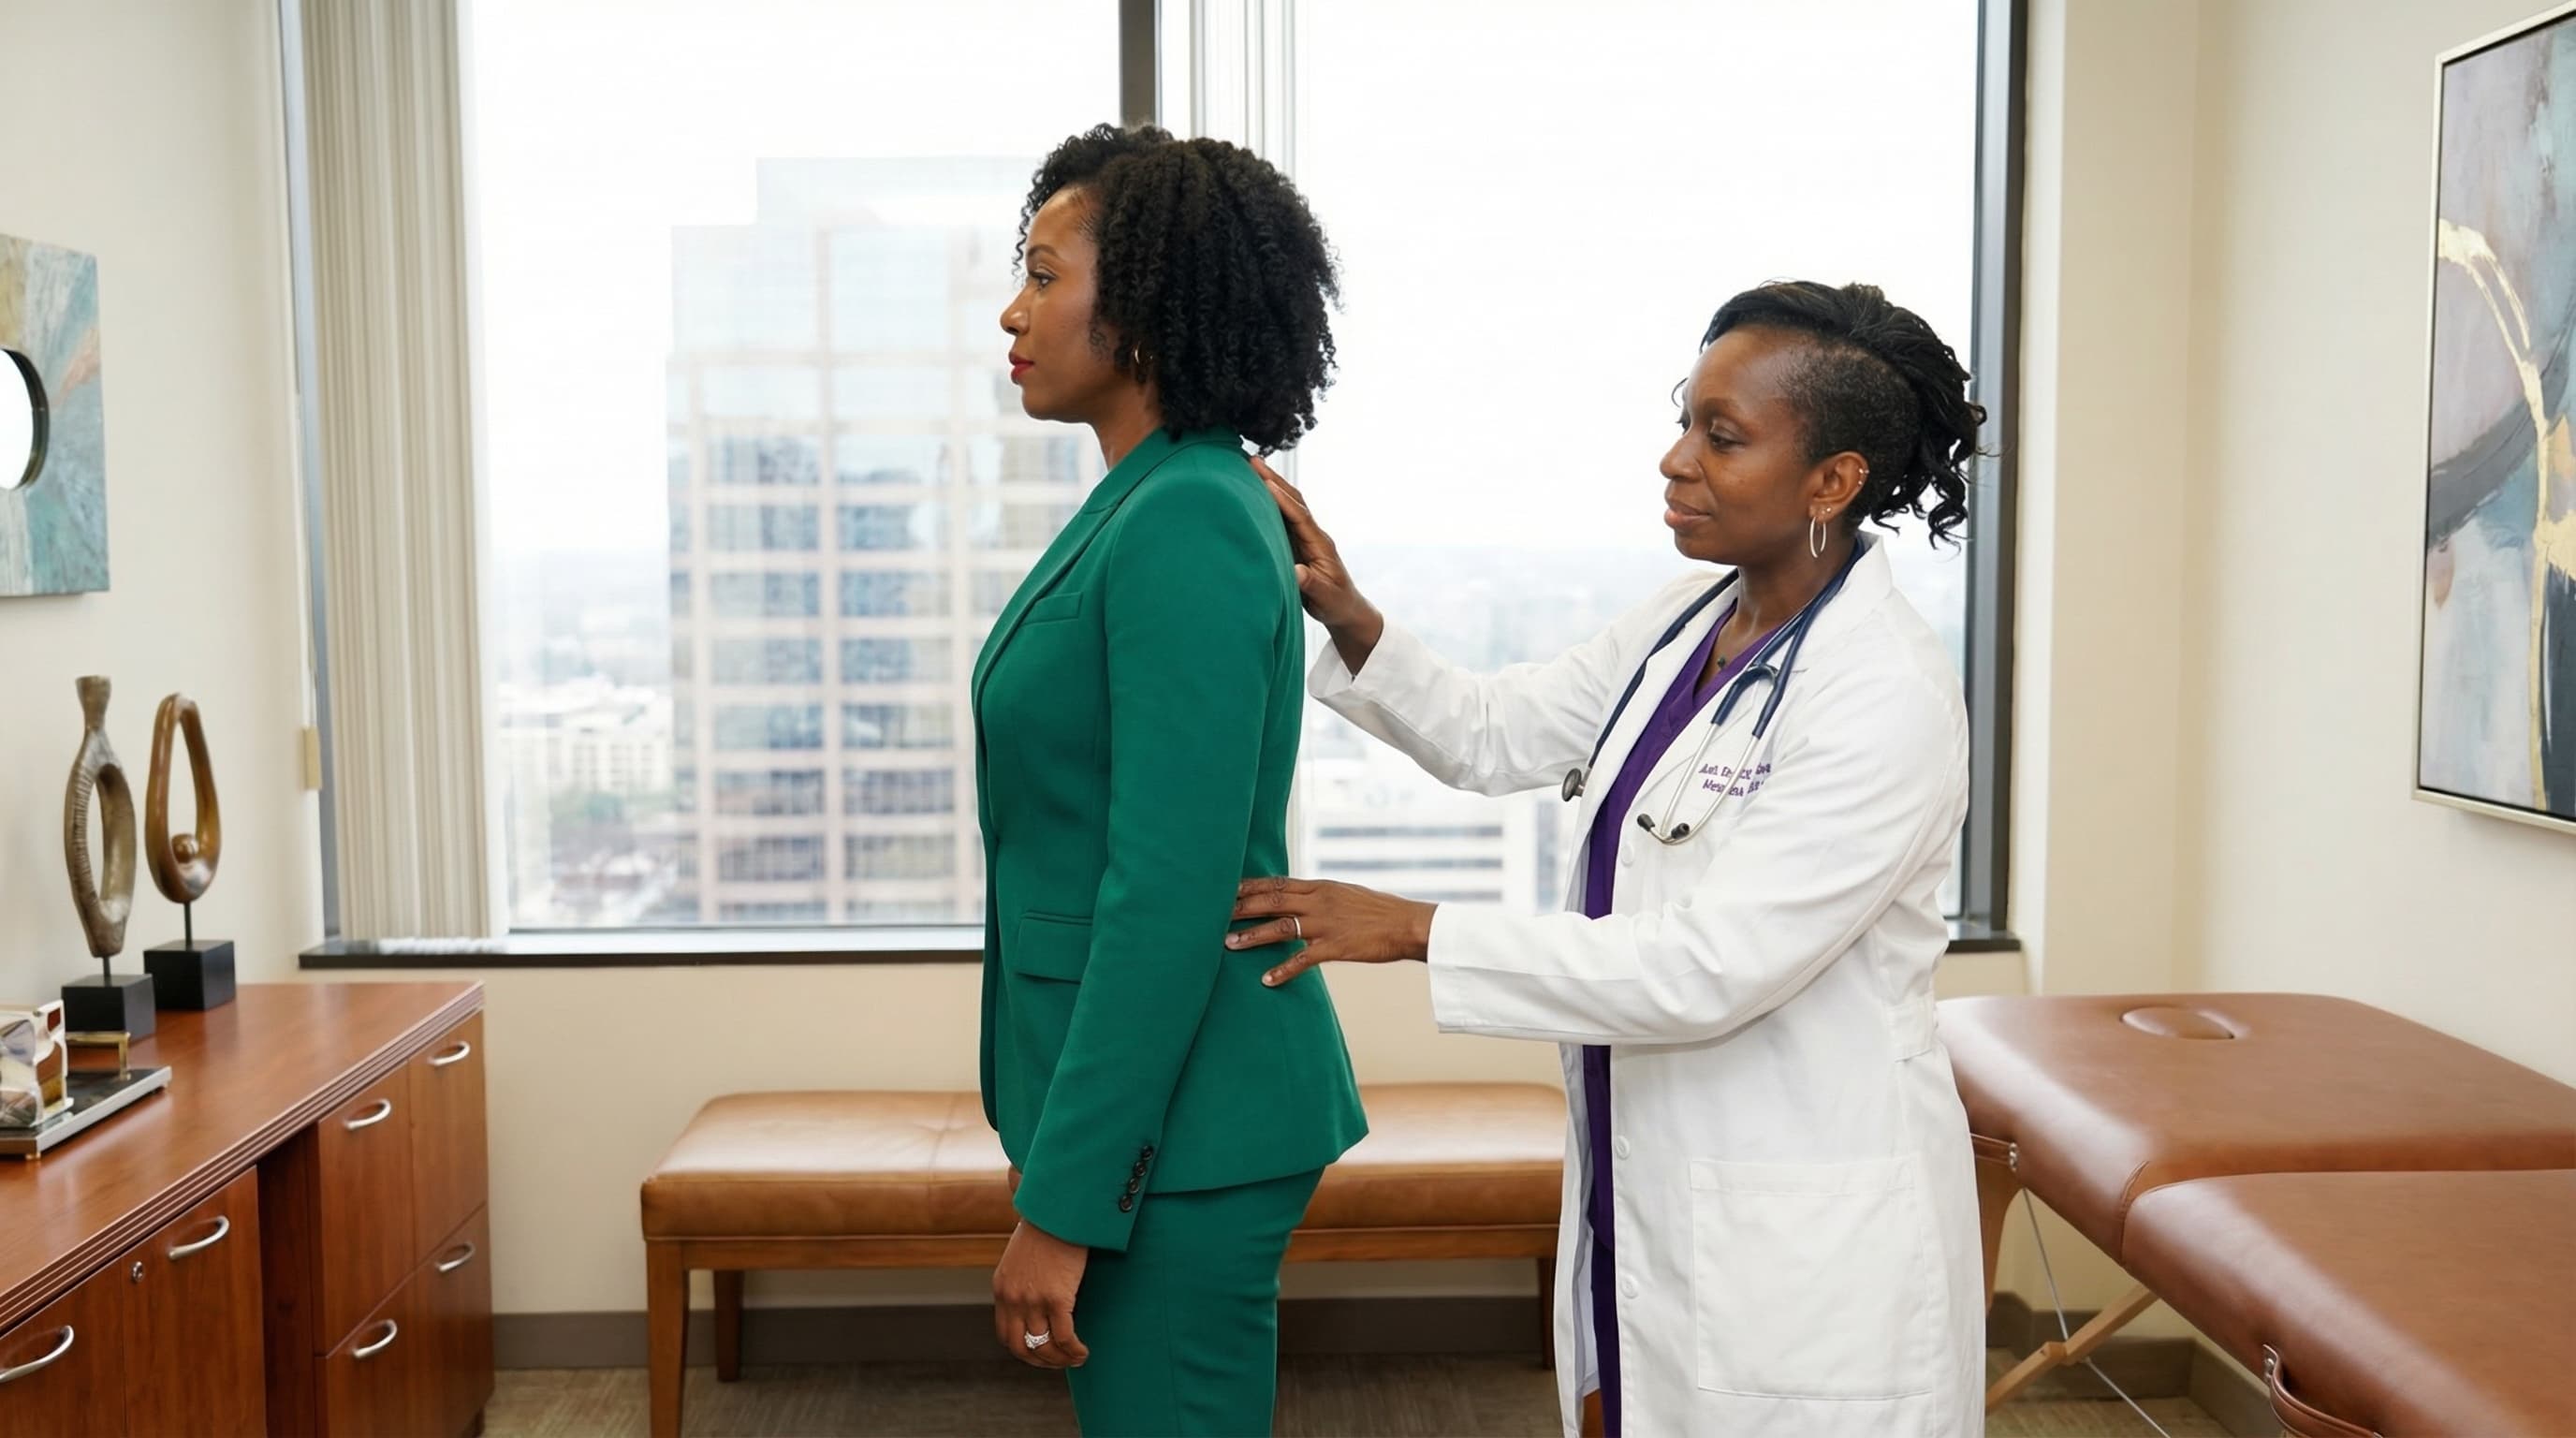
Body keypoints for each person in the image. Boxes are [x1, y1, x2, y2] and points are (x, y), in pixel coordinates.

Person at [1228, 281, 1988, 1437]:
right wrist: (1345, 611)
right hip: (1650, 1167)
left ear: (1831, 481)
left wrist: (1417, 929)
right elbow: (1495, 731)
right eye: (1686, 421)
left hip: (1800, 1221)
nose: (1675, 460)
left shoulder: (1882, 692)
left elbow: (1707, 966)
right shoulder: (1688, 621)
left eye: (1722, 437)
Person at [976, 123, 1368, 1437]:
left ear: (1144, 305)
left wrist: (1069, 1201)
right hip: (1165, 1114)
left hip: (1189, 1130)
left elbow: (1166, 892)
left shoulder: (1187, 513)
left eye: (1045, 276)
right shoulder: (1147, 499)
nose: (1013, 311)